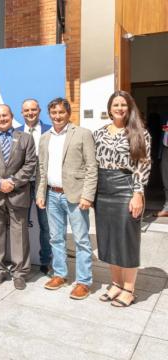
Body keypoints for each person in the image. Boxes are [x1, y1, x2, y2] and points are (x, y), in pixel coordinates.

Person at [36, 97, 98, 300]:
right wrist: (40, 193)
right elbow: (42, 169)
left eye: (61, 112)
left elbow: (91, 167)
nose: (57, 116)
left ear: (68, 113)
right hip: (52, 194)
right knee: (55, 238)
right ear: (49, 114)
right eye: (53, 113)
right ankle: (60, 274)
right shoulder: (45, 137)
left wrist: (88, 196)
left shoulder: (82, 134)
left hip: (76, 195)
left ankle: (83, 282)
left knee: (81, 240)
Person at [94, 91, 151, 307]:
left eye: (123, 105)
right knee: (108, 240)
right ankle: (116, 283)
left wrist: (138, 194)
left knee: (127, 240)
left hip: (126, 188)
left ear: (130, 108)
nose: (119, 108)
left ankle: (129, 288)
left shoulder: (140, 133)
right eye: (116, 104)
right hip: (103, 189)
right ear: (109, 108)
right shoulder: (98, 133)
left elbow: (143, 166)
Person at [0, 104, 37, 290]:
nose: (2, 119)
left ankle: (20, 273)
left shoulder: (25, 138)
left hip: (17, 192)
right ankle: (0, 270)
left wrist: (12, 182)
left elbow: (30, 164)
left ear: (11, 116)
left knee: (19, 234)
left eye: (5, 115)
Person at [16, 99, 52, 275]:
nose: (30, 113)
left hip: (43, 185)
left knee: (46, 225)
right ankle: (21, 262)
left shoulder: (50, 131)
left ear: (39, 111)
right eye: (26, 110)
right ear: (21, 113)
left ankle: (46, 261)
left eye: (33, 109)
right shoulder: (15, 133)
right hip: (22, 185)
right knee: (19, 225)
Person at [156, 115, 168, 217]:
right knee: (166, 179)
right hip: (165, 148)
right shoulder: (164, 118)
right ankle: (167, 207)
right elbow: (162, 134)